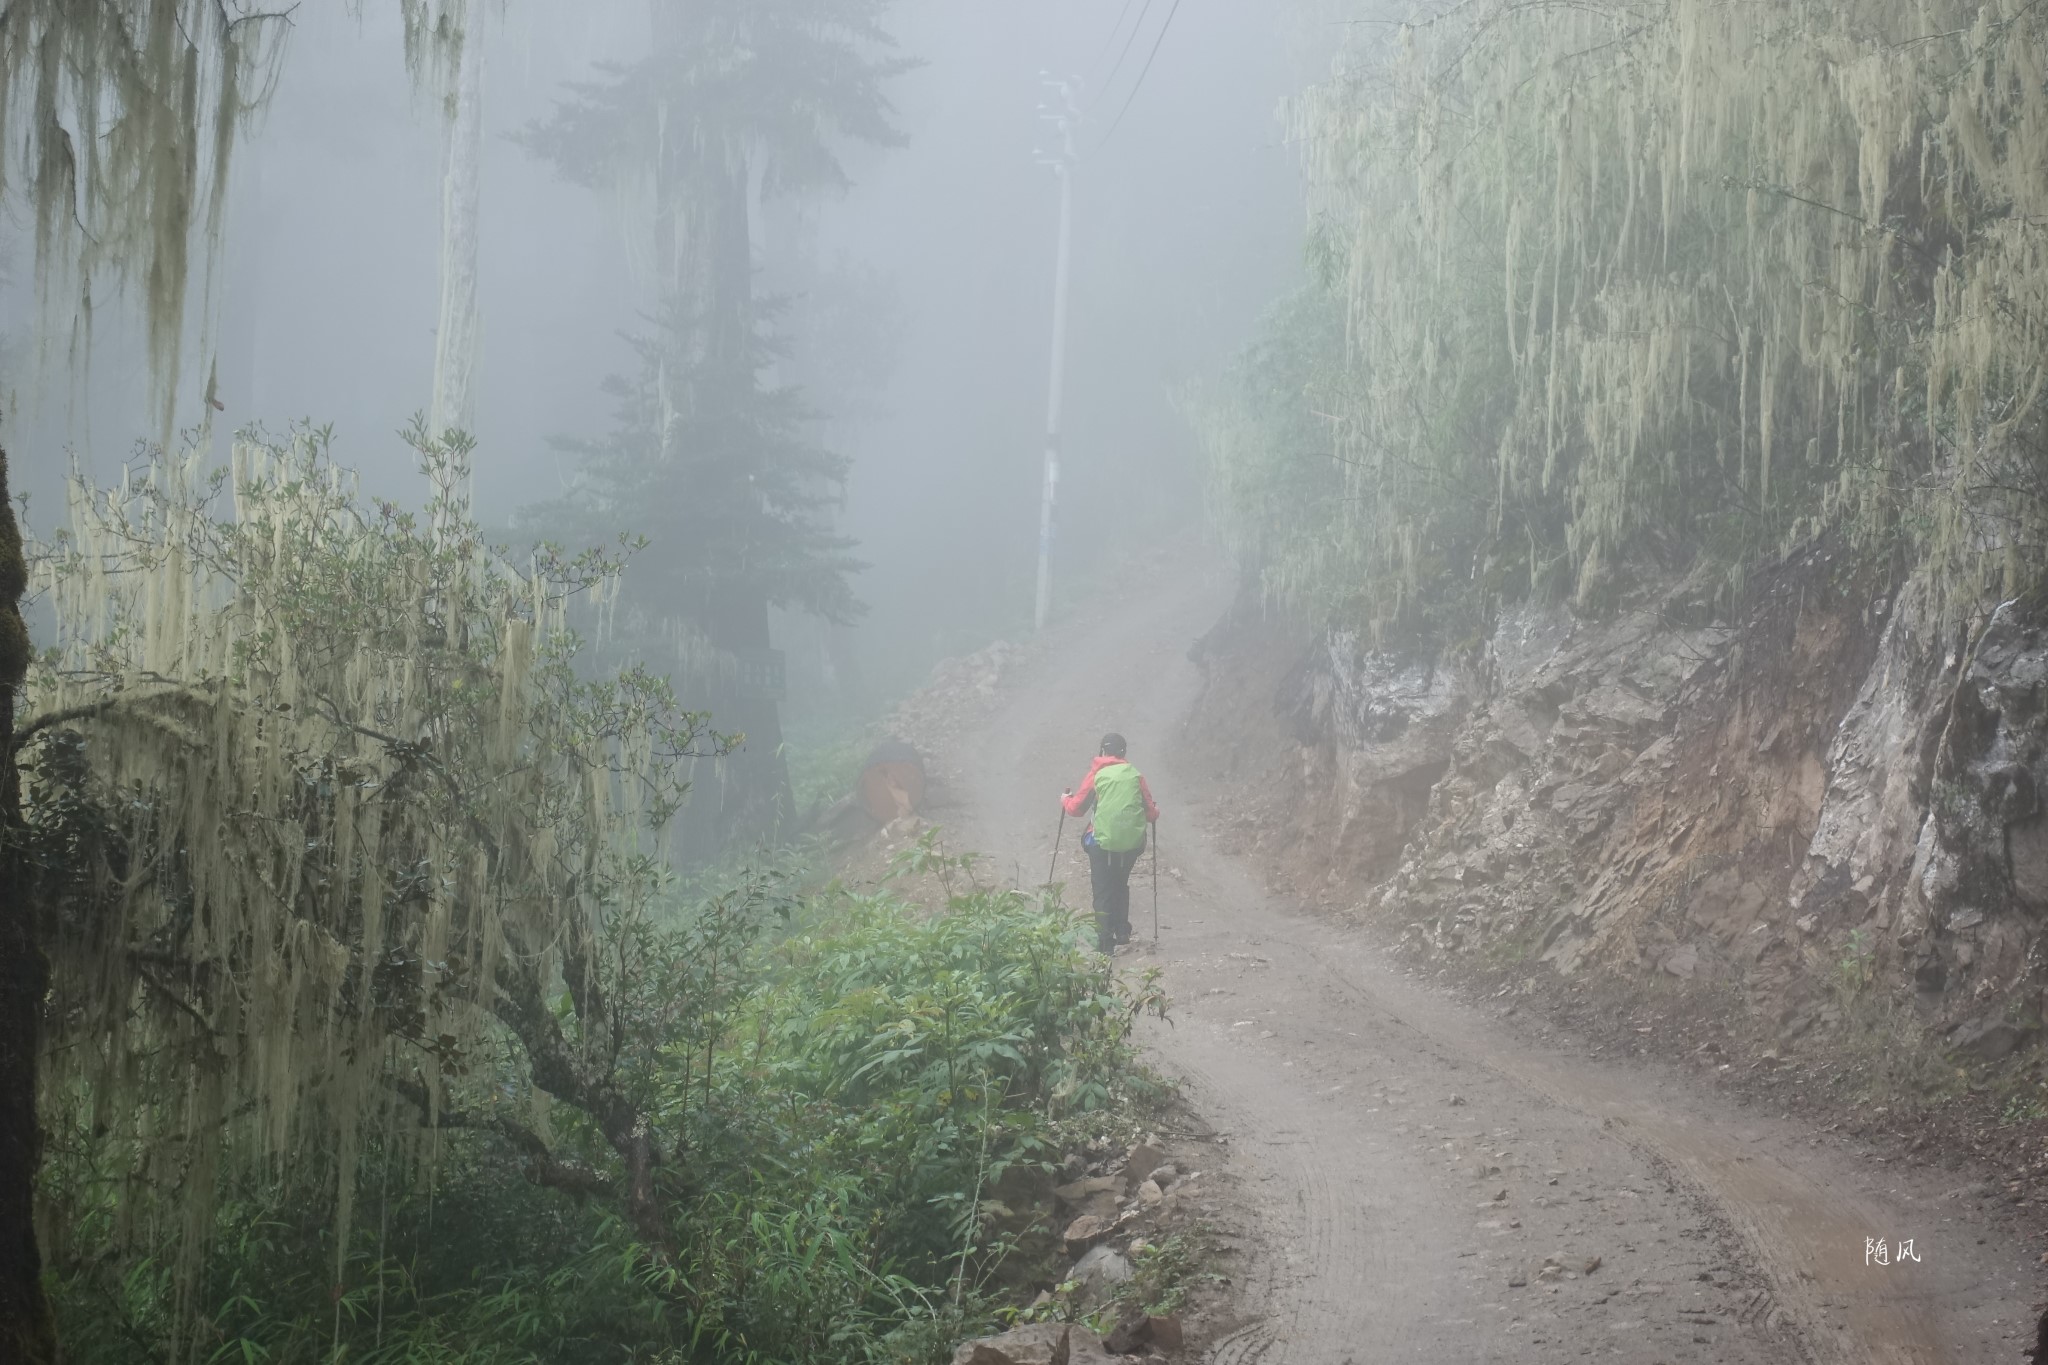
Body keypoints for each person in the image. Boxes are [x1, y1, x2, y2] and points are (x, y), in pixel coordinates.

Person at [1061, 732, 1160, 953]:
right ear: (1124, 752)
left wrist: (1064, 799)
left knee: (1102, 889)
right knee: (1120, 882)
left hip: (1101, 844)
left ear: (1102, 751)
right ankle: (1122, 931)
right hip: (1131, 844)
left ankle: (1105, 942)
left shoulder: (1096, 774)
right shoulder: (1135, 775)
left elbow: (1077, 808)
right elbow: (1151, 813)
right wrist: (1157, 811)